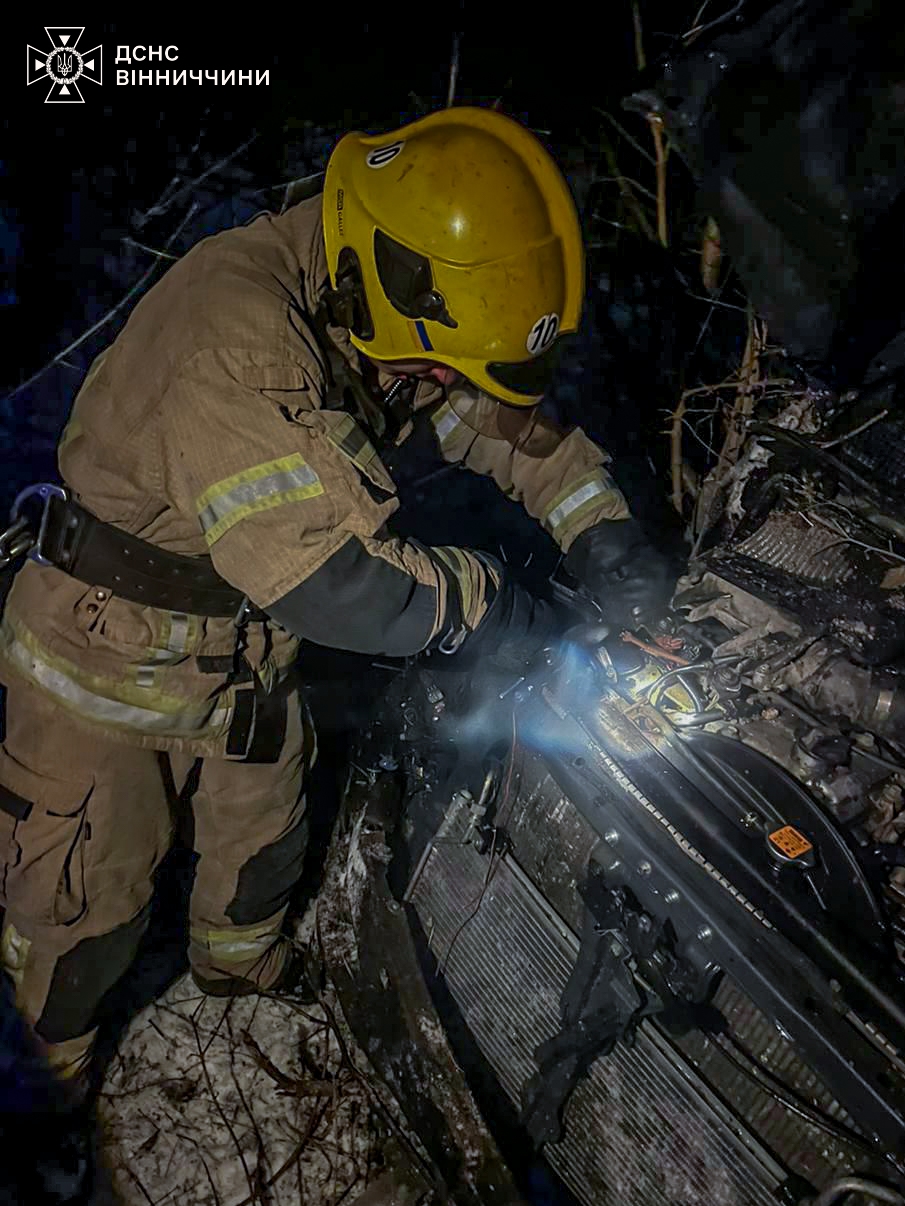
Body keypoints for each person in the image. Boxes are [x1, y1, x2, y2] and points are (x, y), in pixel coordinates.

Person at [0, 106, 673, 1090]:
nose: (435, 382)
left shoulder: (378, 302)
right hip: (106, 660)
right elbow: (342, 587)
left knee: (260, 853)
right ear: (381, 279)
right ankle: (45, 1091)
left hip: (247, 650)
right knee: (84, 911)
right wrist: (496, 608)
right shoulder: (234, 343)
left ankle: (244, 1003)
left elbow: (495, 423)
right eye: (433, 362)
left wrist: (603, 536)